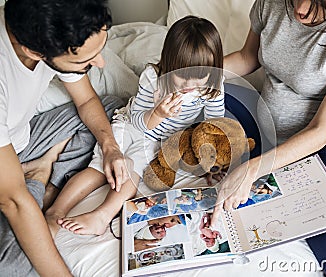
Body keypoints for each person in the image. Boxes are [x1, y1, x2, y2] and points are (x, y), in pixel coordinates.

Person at [213, 0, 326, 276]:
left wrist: (252, 168)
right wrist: (198, 75)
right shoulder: (273, 3)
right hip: (272, 129)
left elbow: (322, 130)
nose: (300, 8)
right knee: (201, 106)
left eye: (322, 4)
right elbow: (249, 56)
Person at [46, 15, 225, 236]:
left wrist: (212, 160)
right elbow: (138, 120)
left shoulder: (213, 86)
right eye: (181, 76)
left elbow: (213, 125)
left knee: (132, 169)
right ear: (169, 63)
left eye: (200, 77)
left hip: (159, 141)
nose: (190, 85)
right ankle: (55, 211)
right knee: (100, 167)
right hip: (131, 125)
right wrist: (157, 113)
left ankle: (102, 215)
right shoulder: (153, 78)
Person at [0, 0, 129, 276]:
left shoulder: (52, 23)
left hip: (24, 139)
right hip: (6, 173)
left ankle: (42, 173)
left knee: (114, 110)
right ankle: (39, 178)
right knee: (10, 266)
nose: (101, 63)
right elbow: (12, 202)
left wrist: (110, 148)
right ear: (33, 51)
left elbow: (87, 102)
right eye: (85, 61)